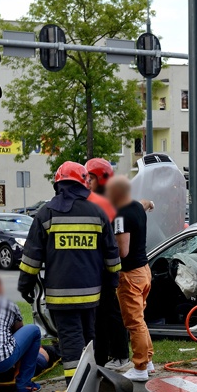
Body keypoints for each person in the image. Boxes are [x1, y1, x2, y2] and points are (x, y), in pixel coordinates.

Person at [18, 161, 121, 392]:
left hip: (60, 294)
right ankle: (89, 382)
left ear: (58, 184)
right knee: (88, 337)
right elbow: (112, 256)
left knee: (70, 339)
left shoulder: (46, 213)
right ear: (83, 184)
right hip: (92, 294)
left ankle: (73, 390)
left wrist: (25, 286)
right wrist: (112, 282)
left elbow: (32, 257)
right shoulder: (97, 213)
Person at [84, 157, 131, 371]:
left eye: (90, 178)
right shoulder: (94, 203)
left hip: (108, 269)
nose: (87, 182)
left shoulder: (112, 206)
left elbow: (120, 247)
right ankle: (102, 357)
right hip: (98, 269)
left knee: (110, 313)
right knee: (100, 316)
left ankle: (120, 354)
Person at [107, 175, 155, 382]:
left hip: (129, 276)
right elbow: (145, 203)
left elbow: (122, 251)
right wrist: (151, 203)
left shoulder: (120, 215)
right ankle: (148, 360)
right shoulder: (135, 206)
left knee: (134, 323)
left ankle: (140, 367)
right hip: (144, 271)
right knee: (141, 321)